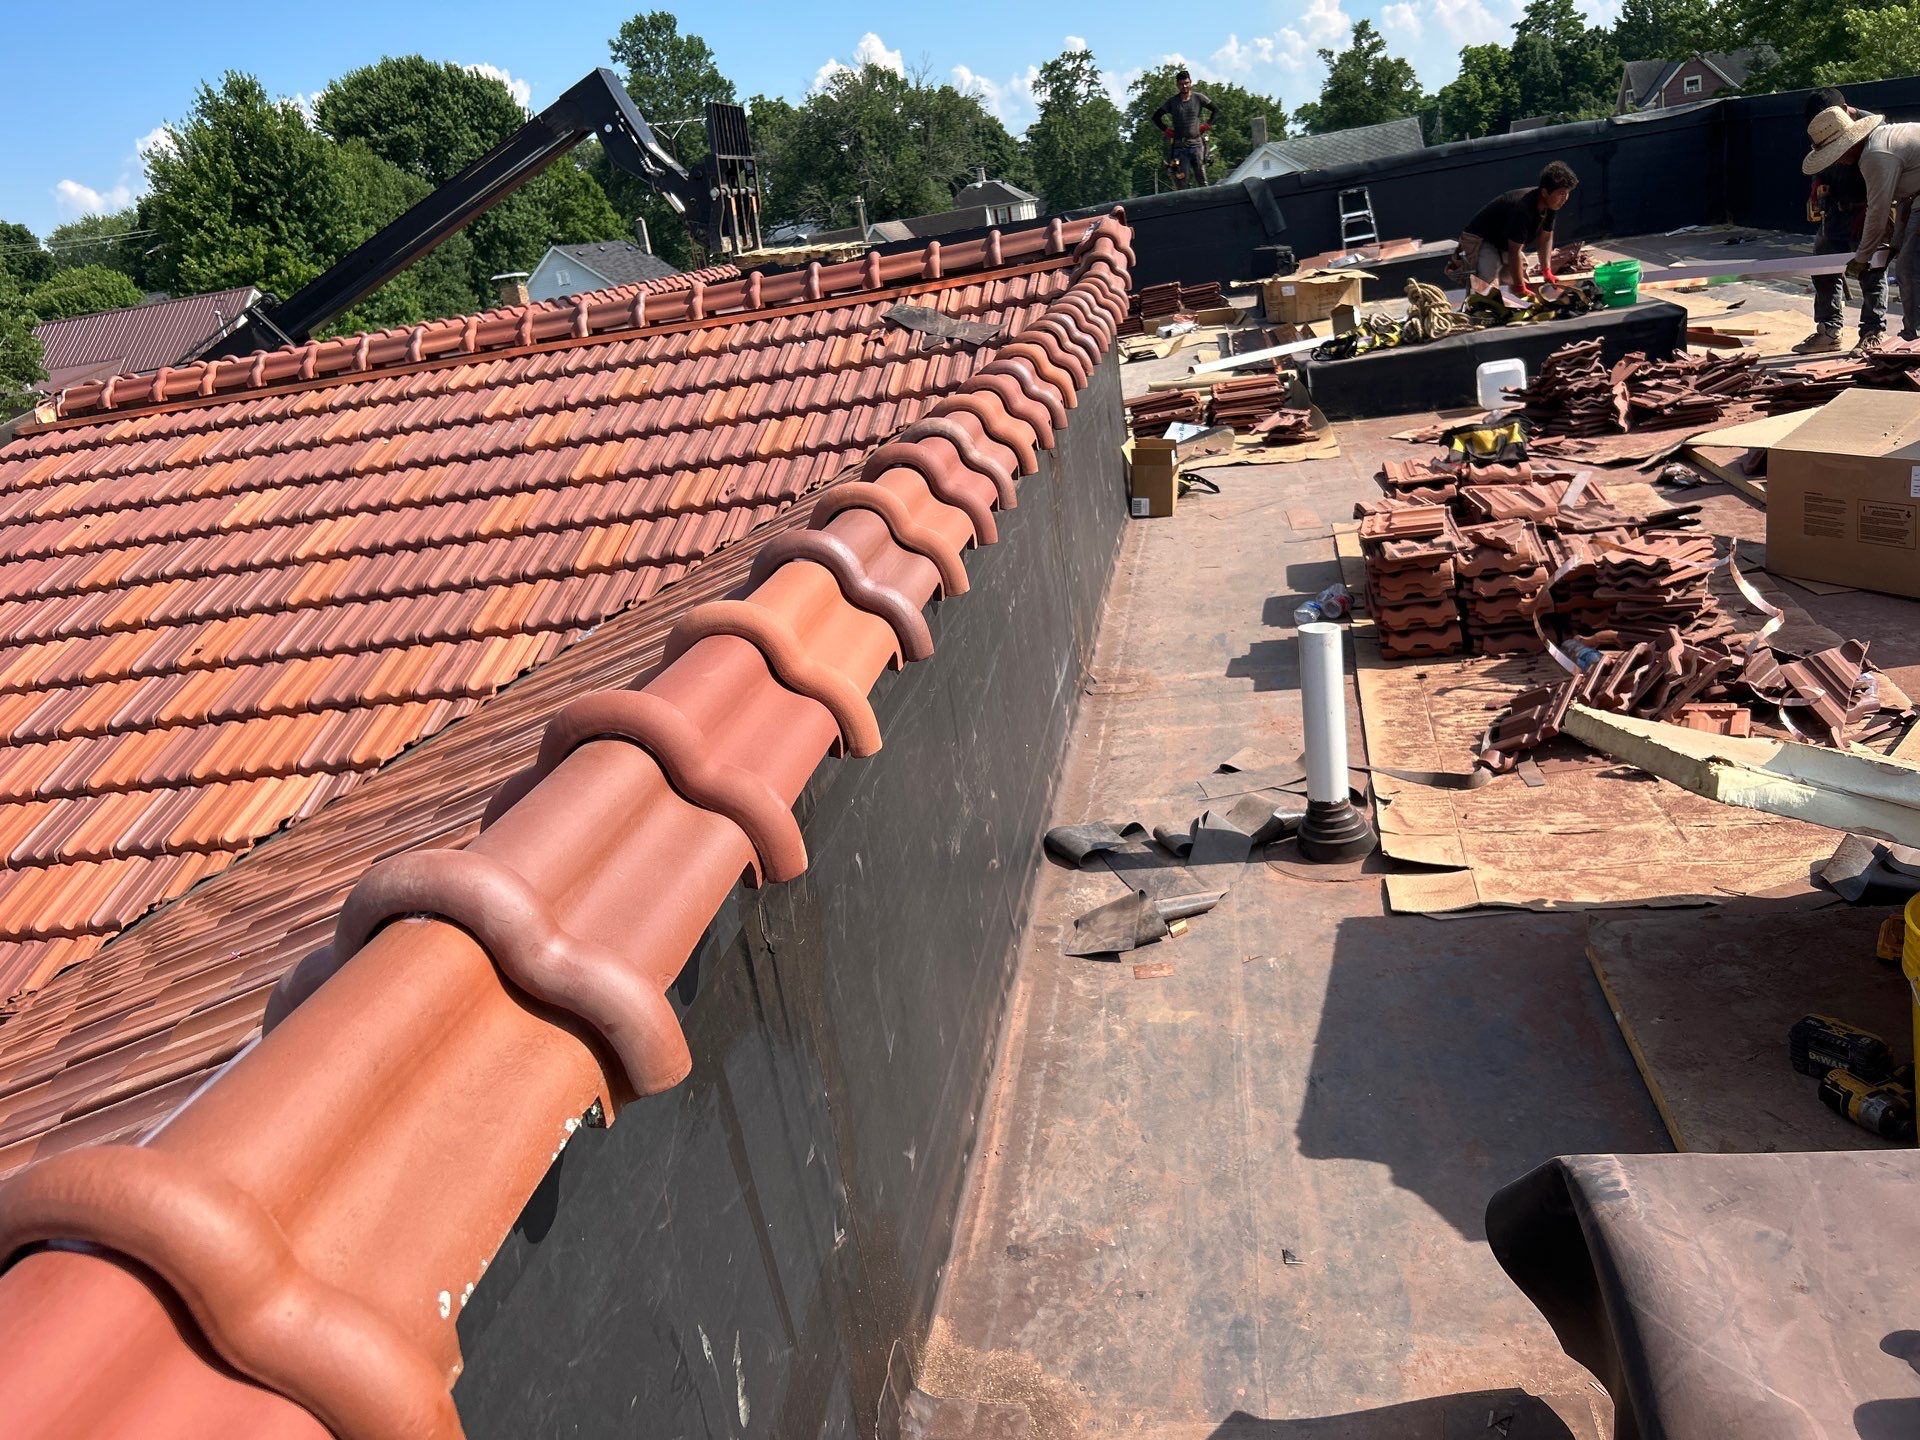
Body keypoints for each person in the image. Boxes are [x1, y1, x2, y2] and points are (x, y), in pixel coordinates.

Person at [1803, 102, 1920, 342]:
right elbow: (1906, 200)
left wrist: (1861, 258)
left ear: (1849, 143)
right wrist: (1896, 244)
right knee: (1908, 260)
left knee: (1909, 268)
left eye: (1836, 154)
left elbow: (1878, 212)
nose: (1837, 161)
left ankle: (1914, 339)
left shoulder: (1875, 156)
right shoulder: (1880, 142)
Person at [1798, 88, 1885, 354]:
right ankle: (1829, 330)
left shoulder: (1875, 130)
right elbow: (1821, 158)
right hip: (1836, 211)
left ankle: (1872, 333)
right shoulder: (1824, 127)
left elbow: (1885, 177)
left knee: (1871, 272)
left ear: (1845, 110)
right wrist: (1818, 183)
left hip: (1866, 210)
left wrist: (1874, 212)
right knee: (1823, 268)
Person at [1453, 162, 1579, 297]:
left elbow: (1546, 237)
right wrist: (1520, 287)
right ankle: (1482, 304)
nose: (1565, 199)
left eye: (1567, 193)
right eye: (1561, 194)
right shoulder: (1522, 209)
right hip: (1480, 240)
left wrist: (1546, 270)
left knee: (1521, 273)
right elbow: (1514, 252)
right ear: (1544, 192)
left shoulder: (1551, 205)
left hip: (1503, 240)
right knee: (1488, 281)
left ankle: (1515, 302)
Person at [1153, 70, 1218, 188]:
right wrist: (1166, 130)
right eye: (1181, 84)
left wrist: (1207, 125)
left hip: (1196, 144)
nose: (1184, 86)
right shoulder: (1172, 102)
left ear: (1190, 82)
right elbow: (1156, 117)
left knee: (1202, 179)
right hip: (1180, 146)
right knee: (1181, 181)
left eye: (1186, 83)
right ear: (1177, 85)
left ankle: (1207, 198)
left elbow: (1215, 110)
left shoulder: (1199, 98)